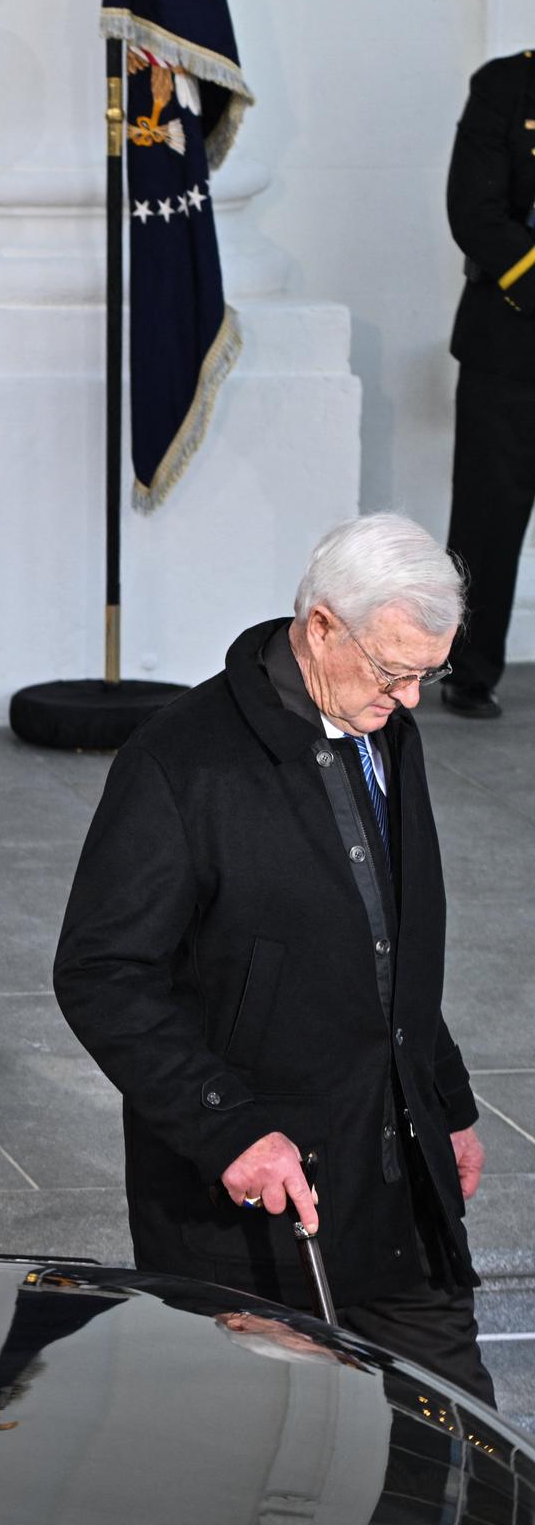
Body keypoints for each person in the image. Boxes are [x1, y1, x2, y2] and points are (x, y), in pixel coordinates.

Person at [53, 513, 493, 1402]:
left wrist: (445, 1100)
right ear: (322, 625)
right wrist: (227, 1126)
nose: (409, 699)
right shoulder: (181, 762)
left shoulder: (383, 727)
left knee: (461, 1460)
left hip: (401, 1192)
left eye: (426, 675)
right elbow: (102, 972)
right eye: (395, 671)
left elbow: (393, 940)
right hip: (257, 1214)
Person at [440, 0, 535, 720]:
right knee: (488, 515)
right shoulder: (505, 88)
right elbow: (475, 211)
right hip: (512, 340)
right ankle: (469, 670)